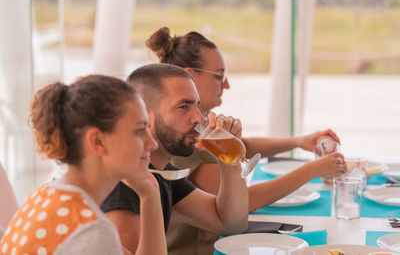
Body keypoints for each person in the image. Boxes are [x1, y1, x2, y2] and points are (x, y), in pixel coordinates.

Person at [146, 27, 346, 255]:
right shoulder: (184, 139)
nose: (227, 84)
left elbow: (244, 150)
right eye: (219, 75)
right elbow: (242, 203)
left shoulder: (175, 159)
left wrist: (299, 141)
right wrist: (312, 169)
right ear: (191, 75)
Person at [0, 75, 166, 255]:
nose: (152, 144)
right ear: (98, 142)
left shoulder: (43, 196)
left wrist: (150, 195)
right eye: (140, 131)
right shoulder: (91, 231)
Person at [100, 63, 249, 254]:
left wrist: (229, 157)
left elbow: (230, 223)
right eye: (183, 106)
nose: (198, 117)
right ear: (144, 114)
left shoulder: (160, 171)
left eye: (197, 105)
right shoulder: (124, 185)